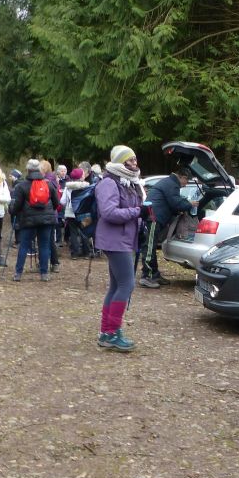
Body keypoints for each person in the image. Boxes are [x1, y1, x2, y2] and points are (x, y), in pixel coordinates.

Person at [95, 145, 144, 352]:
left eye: (135, 160)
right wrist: (137, 211)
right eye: (130, 161)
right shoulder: (109, 182)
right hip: (115, 241)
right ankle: (113, 332)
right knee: (127, 285)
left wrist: (143, 213)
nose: (134, 164)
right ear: (120, 162)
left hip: (123, 239)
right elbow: (109, 212)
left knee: (116, 286)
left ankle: (107, 332)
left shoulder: (129, 183)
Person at [139, 168, 197, 288]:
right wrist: (189, 204)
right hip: (153, 218)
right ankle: (147, 276)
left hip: (154, 217)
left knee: (152, 246)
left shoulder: (168, 182)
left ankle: (154, 274)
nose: (186, 184)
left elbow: (172, 202)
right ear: (182, 177)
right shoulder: (172, 184)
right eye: (187, 181)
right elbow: (176, 203)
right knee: (149, 247)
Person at [9, 159, 61, 282]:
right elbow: (56, 203)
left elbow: (16, 206)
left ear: (27, 170)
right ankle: (44, 274)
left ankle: (18, 273)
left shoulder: (21, 186)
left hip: (28, 220)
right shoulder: (48, 184)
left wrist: (13, 211)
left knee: (24, 245)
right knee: (44, 245)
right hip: (46, 220)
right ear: (39, 169)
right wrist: (48, 212)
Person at [62, 167, 91, 258]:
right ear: (81, 176)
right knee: (85, 231)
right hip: (85, 212)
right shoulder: (87, 186)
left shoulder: (68, 188)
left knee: (73, 233)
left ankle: (75, 253)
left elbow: (62, 201)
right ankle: (86, 253)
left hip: (71, 213)